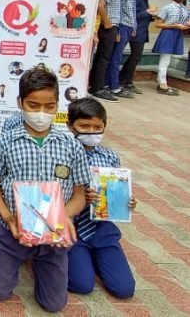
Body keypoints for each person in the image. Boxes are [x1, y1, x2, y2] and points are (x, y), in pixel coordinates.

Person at [0, 67, 89, 313]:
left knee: (54, 305)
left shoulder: (71, 145)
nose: (41, 113)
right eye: (33, 105)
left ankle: (41, 262)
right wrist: (7, 217)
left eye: (49, 106)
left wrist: (63, 215)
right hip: (13, 229)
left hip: (54, 234)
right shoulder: (4, 142)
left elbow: (79, 195)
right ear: (20, 102)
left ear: (57, 105)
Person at [66, 97, 136, 299]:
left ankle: (96, 259)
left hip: (102, 228)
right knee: (81, 285)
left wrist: (126, 200)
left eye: (97, 127)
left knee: (124, 289)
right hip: (73, 228)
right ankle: (74, 259)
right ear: (70, 125)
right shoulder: (63, 153)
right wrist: (79, 198)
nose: (91, 132)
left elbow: (117, 189)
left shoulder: (109, 156)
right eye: (84, 126)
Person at [119, 0, 157, 92]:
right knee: (134, 57)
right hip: (134, 31)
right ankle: (127, 82)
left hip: (141, 31)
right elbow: (132, 15)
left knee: (136, 57)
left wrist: (151, 16)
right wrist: (147, 12)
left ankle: (123, 79)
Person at [89, 0, 123, 102]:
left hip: (111, 27)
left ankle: (95, 86)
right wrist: (107, 22)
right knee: (103, 58)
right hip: (107, 27)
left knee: (102, 58)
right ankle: (98, 88)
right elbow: (100, 6)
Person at [152, 0, 190, 96]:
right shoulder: (167, 7)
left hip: (178, 34)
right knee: (165, 59)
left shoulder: (185, 9)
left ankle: (163, 82)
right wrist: (175, 26)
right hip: (168, 33)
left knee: (168, 60)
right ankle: (162, 83)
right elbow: (158, 24)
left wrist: (186, 24)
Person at [105, 0, 137, 99]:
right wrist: (118, 31)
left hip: (128, 27)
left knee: (116, 56)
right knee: (116, 58)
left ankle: (109, 83)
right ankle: (114, 86)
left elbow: (131, 12)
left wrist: (134, 27)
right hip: (122, 26)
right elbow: (119, 12)